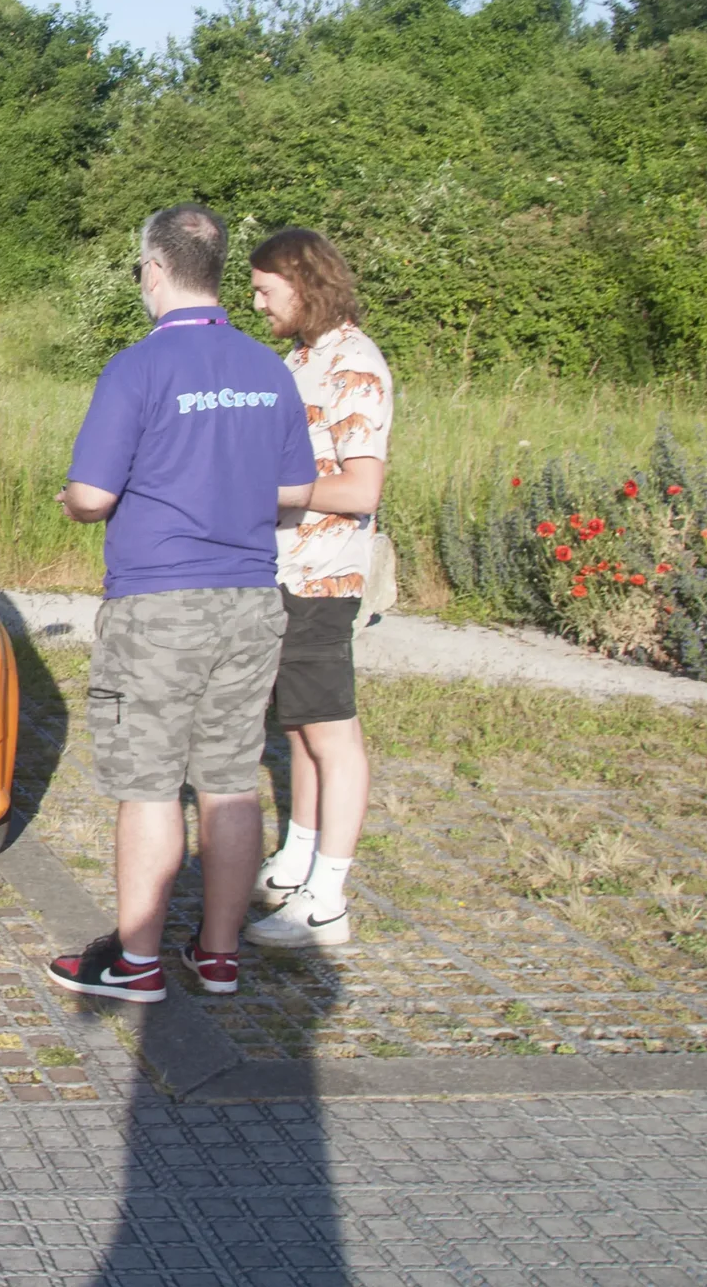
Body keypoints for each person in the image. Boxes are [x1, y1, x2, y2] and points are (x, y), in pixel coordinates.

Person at [49, 206, 314, 1004]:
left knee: (150, 785)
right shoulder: (268, 367)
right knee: (232, 778)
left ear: (154, 271)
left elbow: (93, 496)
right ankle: (221, 955)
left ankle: (135, 962)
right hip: (250, 599)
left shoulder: (138, 367)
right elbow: (296, 494)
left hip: (158, 606)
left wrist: (69, 501)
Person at [244, 228, 391, 950]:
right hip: (283, 569)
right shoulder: (300, 360)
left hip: (322, 575)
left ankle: (328, 898)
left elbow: (361, 486)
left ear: (303, 283)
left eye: (266, 290)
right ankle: (297, 858)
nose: (257, 303)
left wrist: (267, 490)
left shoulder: (354, 366)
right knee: (299, 726)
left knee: (332, 733)